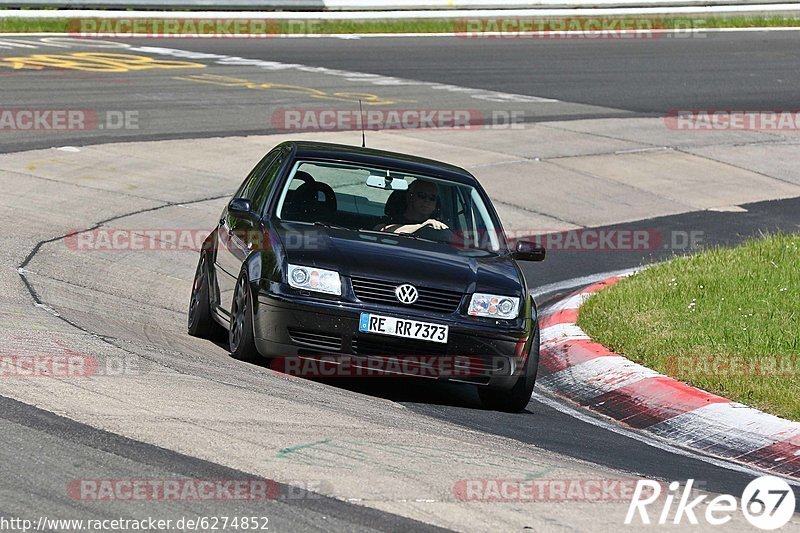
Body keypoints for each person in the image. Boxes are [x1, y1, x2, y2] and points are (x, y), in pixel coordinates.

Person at [376, 179, 449, 234]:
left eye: (432, 198)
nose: (427, 200)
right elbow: (383, 232)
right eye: (422, 195)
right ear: (410, 197)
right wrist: (421, 226)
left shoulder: (438, 226)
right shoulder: (388, 221)